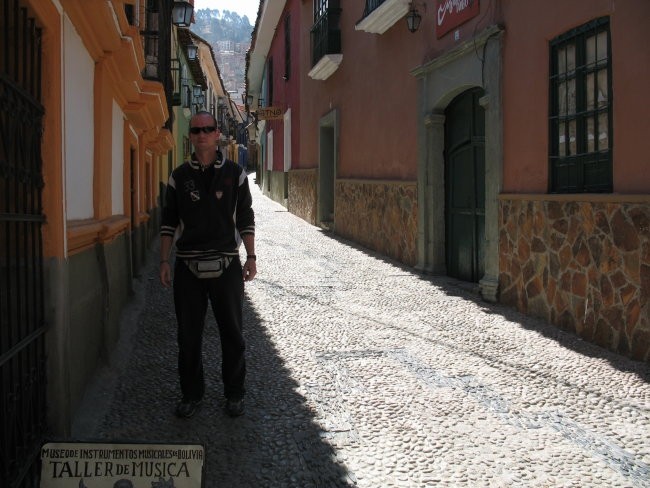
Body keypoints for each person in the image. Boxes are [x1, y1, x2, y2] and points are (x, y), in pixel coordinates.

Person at [159, 111, 256, 418]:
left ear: (217, 135)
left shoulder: (235, 174)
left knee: (233, 333)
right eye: (196, 130)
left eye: (208, 129)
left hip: (227, 266)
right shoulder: (178, 177)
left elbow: (245, 217)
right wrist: (164, 260)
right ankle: (190, 394)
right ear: (190, 136)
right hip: (187, 268)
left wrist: (251, 257)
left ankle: (235, 393)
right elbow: (168, 222)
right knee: (188, 336)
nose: (202, 134)